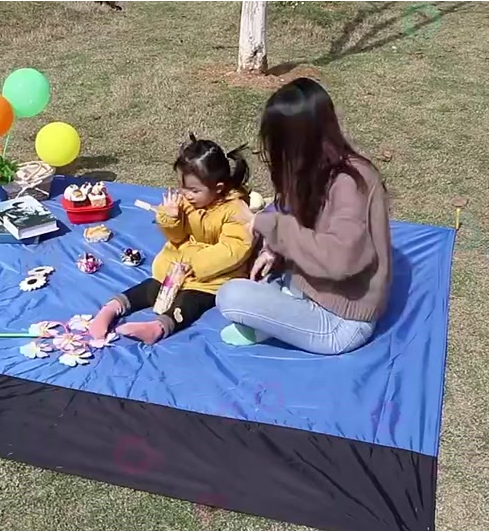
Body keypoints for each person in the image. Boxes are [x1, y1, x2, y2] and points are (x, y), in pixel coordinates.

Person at [216, 78, 392, 355]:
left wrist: (273, 227)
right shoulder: (317, 169)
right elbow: (300, 219)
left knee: (230, 296)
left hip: (342, 320)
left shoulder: (350, 183)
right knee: (255, 275)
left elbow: (340, 259)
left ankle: (274, 322)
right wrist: (275, 250)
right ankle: (280, 314)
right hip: (309, 286)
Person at [89, 134, 254, 344]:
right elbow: (177, 237)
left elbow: (233, 248)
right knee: (153, 286)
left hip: (213, 276)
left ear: (218, 188)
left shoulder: (235, 211)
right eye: (182, 186)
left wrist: (196, 264)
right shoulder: (186, 200)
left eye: (194, 190)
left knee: (191, 300)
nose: (187, 194)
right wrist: (170, 218)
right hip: (178, 265)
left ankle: (158, 327)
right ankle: (112, 308)